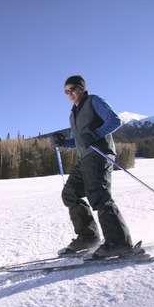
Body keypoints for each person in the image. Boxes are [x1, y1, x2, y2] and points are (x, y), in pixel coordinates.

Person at [50, 75, 133, 259]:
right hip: (85, 157)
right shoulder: (73, 114)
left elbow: (115, 121)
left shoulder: (94, 101)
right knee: (70, 194)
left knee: (99, 195)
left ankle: (119, 242)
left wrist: (95, 134)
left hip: (100, 153)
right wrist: (63, 142)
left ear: (82, 88)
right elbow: (79, 142)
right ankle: (88, 237)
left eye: (72, 89)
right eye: (66, 91)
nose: (69, 93)